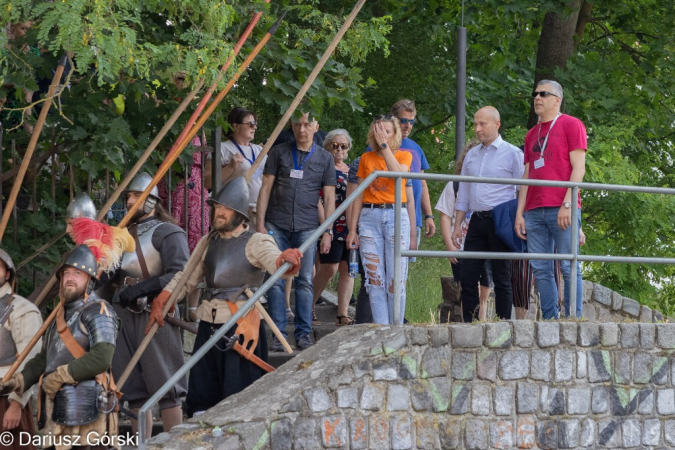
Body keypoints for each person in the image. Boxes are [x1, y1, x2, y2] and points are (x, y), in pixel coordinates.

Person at [151, 177, 302, 417]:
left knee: (239, 400)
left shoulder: (257, 241)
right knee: (201, 397)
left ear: (240, 215)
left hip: (242, 329)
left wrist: (286, 261)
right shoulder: (207, 242)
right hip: (208, 326)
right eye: (217, 207)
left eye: (226, 208)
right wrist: (163, 300)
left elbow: (276, 262)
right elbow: (186, 278)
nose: (219, 213)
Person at [0, 245, 119, 450]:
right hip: (58, 404)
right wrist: (19, 381)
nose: (70, 278)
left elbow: (102, 357)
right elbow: (44, 359)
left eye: (77, 273)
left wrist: (61, 375)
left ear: (90, 279)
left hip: (87, 403)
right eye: (66, 273)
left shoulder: (98, 310)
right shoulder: (59, 315)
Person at [108, 172, 189, 434]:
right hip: (122, 313)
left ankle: (173, 444)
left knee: (166, 387)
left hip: (154, 311)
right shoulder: (120, 235)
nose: (129, 201)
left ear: (152, 201)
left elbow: (181, 273)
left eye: (134, 196)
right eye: (128, 196)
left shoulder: (168, 232)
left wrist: (145, 286)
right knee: (133, 390)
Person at [257, 110, 336, 351]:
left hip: (308, 227)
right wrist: (260, 224)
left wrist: (327, 230)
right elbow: (265, 188)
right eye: (298, 124)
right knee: (276, 279)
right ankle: (278, 334)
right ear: (291, 126)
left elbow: (330, 196)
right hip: (276, 223)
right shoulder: (279, 152)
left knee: (304, 281)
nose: (302, 130)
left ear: (316, 126)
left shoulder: (325, 158)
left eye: (306, 125)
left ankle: (304, 333)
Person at [515, 80, 587, 320]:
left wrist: (568, 203)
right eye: (535, 93)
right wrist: (519, 213)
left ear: (557, 99)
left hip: (561, 206)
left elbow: (579, 169)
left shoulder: (571, 124)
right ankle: (549, 320)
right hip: (534, 210)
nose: (537, 97)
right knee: (541, 269)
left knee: (569, 265)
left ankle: (573, 321)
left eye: (543, 94)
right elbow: (527, 175)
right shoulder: (530, 134)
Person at [451, 106, 524, 323]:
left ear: (497, 124)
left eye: (482, 124)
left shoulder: (513, 154)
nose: (477, 128)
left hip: (501, 221)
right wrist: (457, 224)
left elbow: (523, 190)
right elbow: (463, 191)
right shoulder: (471, 156)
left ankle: (502, 326)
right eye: (475, 124)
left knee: (502, 277)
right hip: (476, 220)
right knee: (468, 276)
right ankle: (470, 325)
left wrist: (519, 219)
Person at [346, 115, 412, 325]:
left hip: (395, 215)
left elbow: (397, 174)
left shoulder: (405, 155)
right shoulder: (365, 159)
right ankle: (382, 330)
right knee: (374, 280)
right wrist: (352, 229)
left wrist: (384, 147)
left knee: (396, 279)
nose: (382, 135)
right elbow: (358, 195)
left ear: (395, 134)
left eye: (387, 131)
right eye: (378, 131)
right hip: (369, 216)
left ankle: (396, 329)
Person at [435, 139, 493, 321]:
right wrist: (449, 246)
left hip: (485, 244)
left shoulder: (492, 184)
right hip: (460, 245)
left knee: (485, 284)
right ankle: (468, 321)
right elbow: (444, 215)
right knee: (466, 285)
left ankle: (481, 319)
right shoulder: (455, 184)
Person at [0, 249, 42, 450]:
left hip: (6, 401)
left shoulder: (23, 309)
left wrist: (16, 403)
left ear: (8, 273)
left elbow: (30, 361)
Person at [313, 129, 354, 326]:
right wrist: (325, 226)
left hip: (351, 224)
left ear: (348, 149)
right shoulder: (322, 167)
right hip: (330, 223)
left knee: (348, 268)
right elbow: (318, 198)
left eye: (343, 146)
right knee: (330, 267)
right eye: (335, 145)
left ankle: (342, 313)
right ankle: (308, 306)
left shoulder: (352, 170)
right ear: (327, 146)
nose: (339, 149)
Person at [205, 107, 267, 226]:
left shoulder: (260, 150)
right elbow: (207, 182)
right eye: (250, 124)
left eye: (255, 124)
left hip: (257, 213)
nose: (254, 127)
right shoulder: (222, 148)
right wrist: (230, 167)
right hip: (232, 213)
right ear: (236, 126)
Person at [390, 100, 436, 246]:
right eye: (403, 120)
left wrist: (428, 215)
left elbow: (422, 182)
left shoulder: (416, 148)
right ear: (394, 119)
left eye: (411, 121)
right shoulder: (379, 145)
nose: (407, 125)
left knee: (405, 266)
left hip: (413, 218)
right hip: (388, 215)